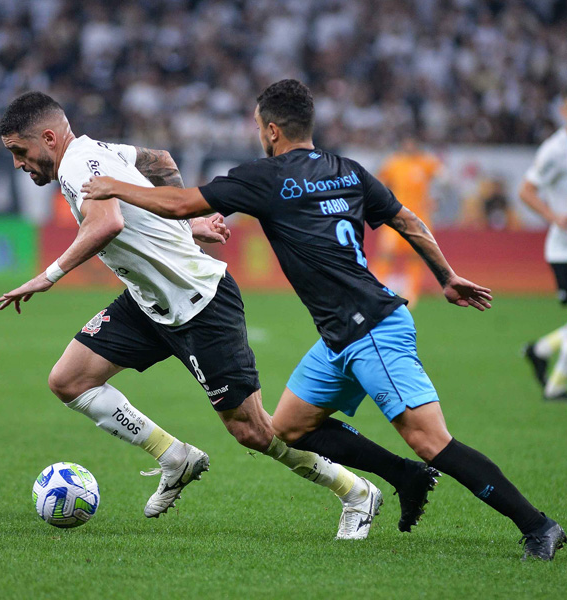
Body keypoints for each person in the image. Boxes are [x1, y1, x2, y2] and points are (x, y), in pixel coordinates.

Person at [81, 79, 564, 560]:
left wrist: (113, 186)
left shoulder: (265, 177)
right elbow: (409, 221)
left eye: (257, 127)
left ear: (271, 130)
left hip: (372, 328)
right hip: (340, 335)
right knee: (289, 427)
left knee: (430, 439)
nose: (257, 135)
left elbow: (182, 204)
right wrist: (447, 276)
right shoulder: (347, 171)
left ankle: (538, 525)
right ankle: (404, 476)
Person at [0, 91, 420, 540]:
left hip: (200, 303)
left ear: (48, 137)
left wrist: (49, 275)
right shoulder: (97, 151)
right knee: (69, 380)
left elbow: (108, 223)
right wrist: (185, 225)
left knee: (254, 431)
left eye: (20, 152)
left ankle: (356, 491)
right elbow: (157, 160)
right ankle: (174, 457)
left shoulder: (81, 164)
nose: (20, 164)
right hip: (147, 302)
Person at [519, 96, 567, 400]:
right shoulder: (556, 150)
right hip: (564, 251)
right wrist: (555, 218)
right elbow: (526, 191)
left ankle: (539, 351)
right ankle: (556, 386)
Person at [372, 138, 442, 305]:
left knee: (417, 254)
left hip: (420, 217)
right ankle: (378, 286)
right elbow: (379, 182)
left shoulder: (426, 162)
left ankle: (412, 291)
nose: (409, 146)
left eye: (412, 143)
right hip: (396, 215)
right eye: (406, 143)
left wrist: (435, 199)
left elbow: (443, 180)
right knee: (386, 252)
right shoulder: (394, 162)